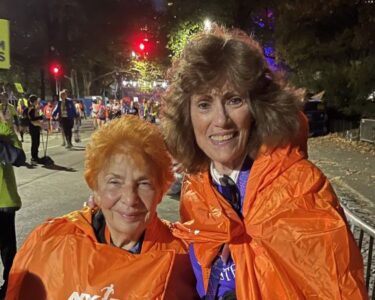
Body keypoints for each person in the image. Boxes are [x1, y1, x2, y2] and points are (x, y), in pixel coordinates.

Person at [162, 26, 367, 299]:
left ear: (258, 108)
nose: (220, 120)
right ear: (187, 115)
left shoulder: (300, 188)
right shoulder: (196, 190)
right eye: (204, 104)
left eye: (234, 100)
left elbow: (339, 288)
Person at [6, 116, 198, 299]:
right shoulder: (50, 242)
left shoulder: (186, 259)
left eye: (144, 183)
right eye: (115, 182)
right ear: (95, 188)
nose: (130, 199)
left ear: (161, 190)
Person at [0, 92, 24, 299]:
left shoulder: (4, 130)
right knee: (7, 248)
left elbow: (19, 157)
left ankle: (10, 287)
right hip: (4, 200)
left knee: (8, 249)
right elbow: (18, 157)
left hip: (4, 200)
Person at [27, 95, 43, 164]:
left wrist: (40, 117)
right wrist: (40, 117)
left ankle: (36, 156)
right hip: (33, 127)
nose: (37, 102)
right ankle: (33, 157)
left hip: (36, 127)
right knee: (34, 143)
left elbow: (37, 117)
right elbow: (32, 119)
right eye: (36, 100)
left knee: (37, 142)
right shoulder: (31, 109)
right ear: (34, 101)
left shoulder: (35, 108)